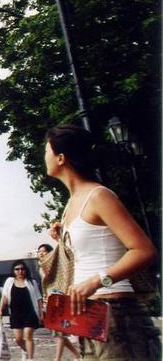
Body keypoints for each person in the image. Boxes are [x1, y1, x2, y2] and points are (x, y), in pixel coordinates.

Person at [46, 124, 159, 360]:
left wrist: (96, 281)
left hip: (117, 315)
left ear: (61, 158)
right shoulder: (71, 204)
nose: (44, 157)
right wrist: (63, 237)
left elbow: (144, 250)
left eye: (47, 150)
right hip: (89, 316)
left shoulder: (99, 196)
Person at [37, 243, 79, 361]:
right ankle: (76, 354)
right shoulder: (41, 267)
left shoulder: (55, 265)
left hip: (59, 299)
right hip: (49, 301)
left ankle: (57, 358)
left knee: (59, 331)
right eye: (39, 251)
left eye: (44, 251)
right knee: (57, 331)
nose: (41, 253)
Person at [0, 260, 42, 360]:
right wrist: (0, 310)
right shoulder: (9, 281)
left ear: (25, 270)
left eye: (22, 269)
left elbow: (38, 298)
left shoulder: (32, 282)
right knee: (18, 339)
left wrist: (40, 314)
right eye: (17, 269)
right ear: (13, 271)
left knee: (28, 335)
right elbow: (4, 296)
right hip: (15, 314)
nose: (20, 271)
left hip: (30, 313)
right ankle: (26, 351)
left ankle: (30, 358)